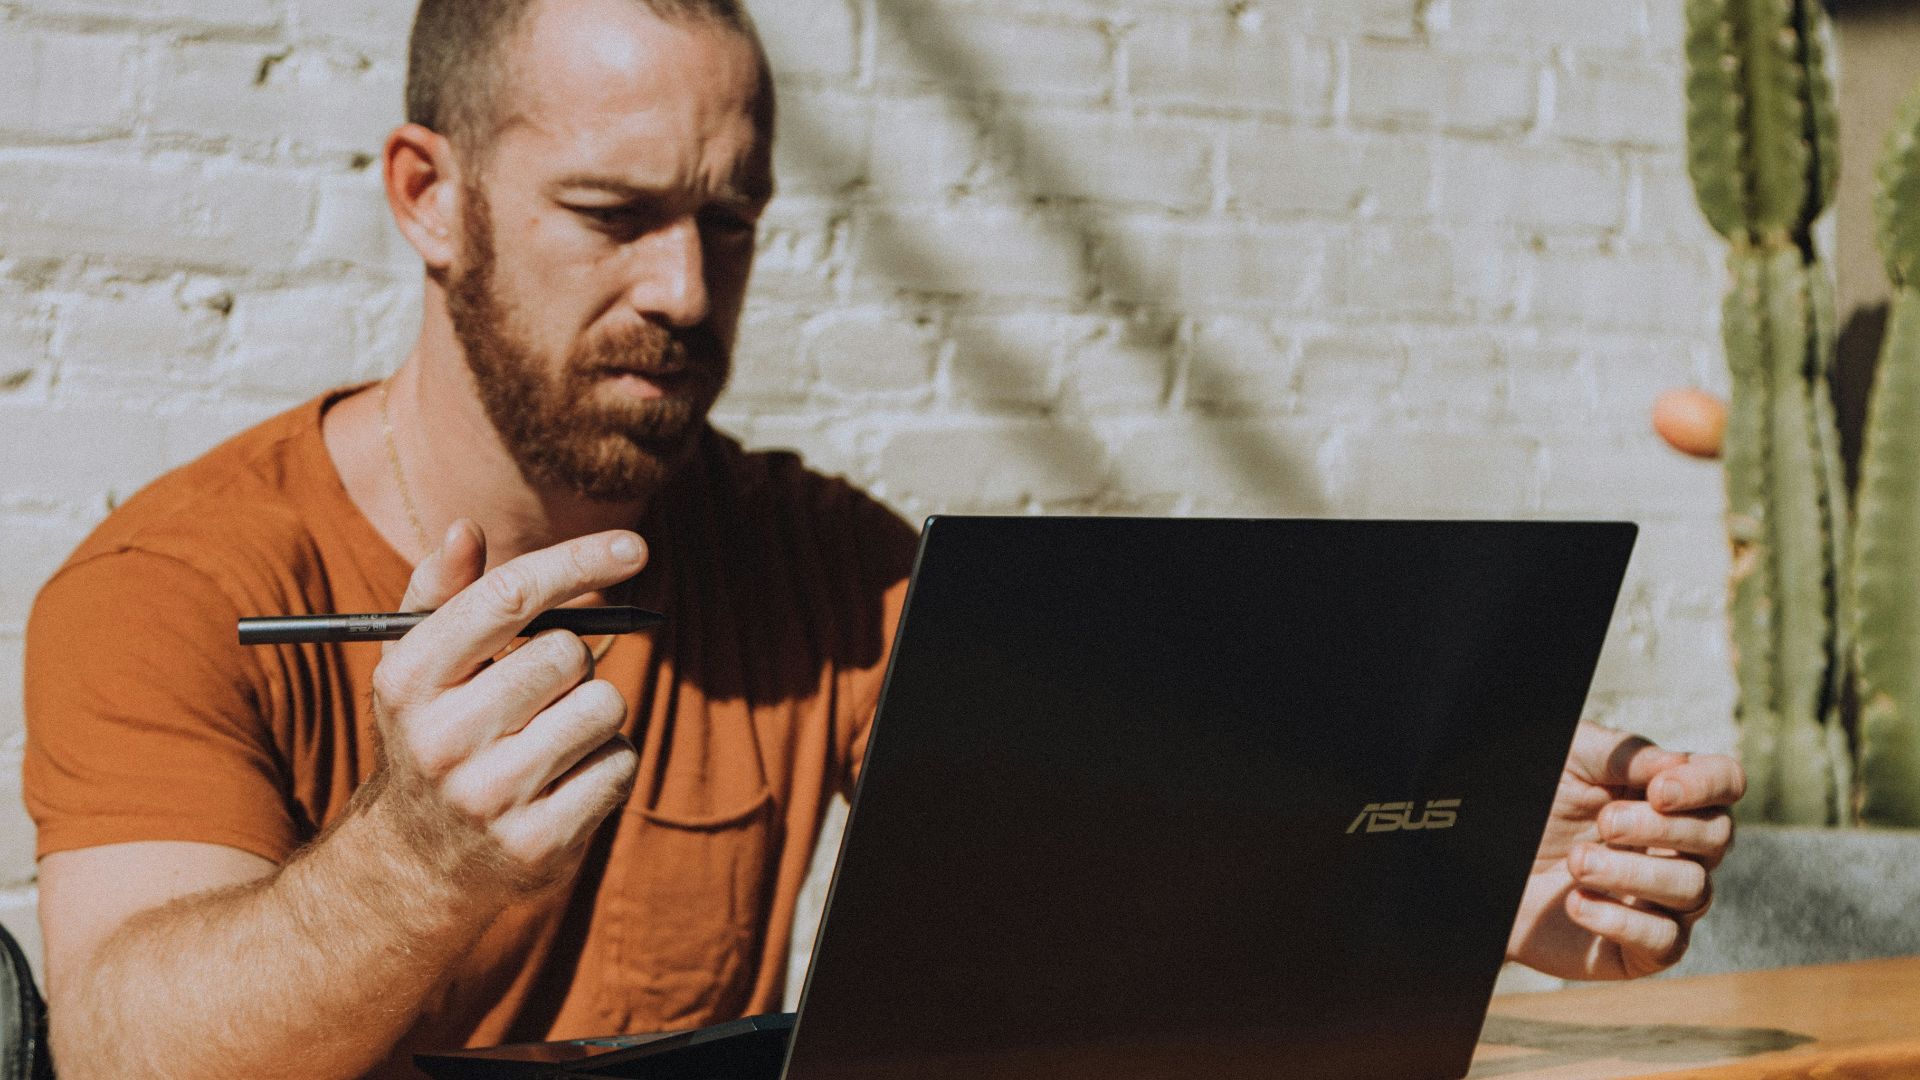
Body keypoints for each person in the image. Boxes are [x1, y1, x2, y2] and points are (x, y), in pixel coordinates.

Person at [22, 0, 1746, 1077]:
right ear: (429, 193)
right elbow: (117, 1051)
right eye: (613, 218)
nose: (685, 293)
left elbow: (1135, 832)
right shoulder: (178, 588)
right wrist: (412, 861)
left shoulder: (814, 569)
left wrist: (1447, 876)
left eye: (731, 223)